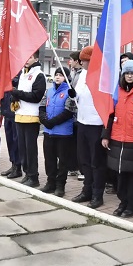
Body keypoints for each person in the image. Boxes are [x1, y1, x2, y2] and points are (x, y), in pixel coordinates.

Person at [102, 60, 133, 218]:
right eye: (127, 73)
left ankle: (131, 206)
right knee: (120, 175)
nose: (129, 76)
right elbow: (110, 115)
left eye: (132, 73)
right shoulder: (116, 91)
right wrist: (105, 135)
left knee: (132, 176)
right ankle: (123, 202)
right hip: (117, 138)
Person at [72, 46, 105, 209]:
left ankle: (98, 194)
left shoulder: (101, 75)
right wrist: (73, 95)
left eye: (84, 60)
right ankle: (87, 190)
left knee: (96, 161)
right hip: (82, 121)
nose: (81, 63)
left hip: (96, 123)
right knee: (84, 159)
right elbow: (79, 94)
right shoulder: (82, 74)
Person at [39, 66, 76, 196]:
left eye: (61, 75)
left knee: (63, 161)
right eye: (56, 75)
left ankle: (60, 185)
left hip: (63, 133)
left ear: (66, 77)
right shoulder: (49, 91)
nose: (58, 77)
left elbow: (68, 112)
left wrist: (53, 122)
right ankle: (50, 182)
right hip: (49, 132)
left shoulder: (70, 92)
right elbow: (42, 106)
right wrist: (43, 119)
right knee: (49, 159)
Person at [11, 52, 46, 187]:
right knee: (23, 148)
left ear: (36, 58)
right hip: (20, 115)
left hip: (31, 117)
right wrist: (14, 96)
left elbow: (36, 96)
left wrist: (17, 93)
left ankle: (33, 176)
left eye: (30, 57)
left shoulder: (39, 75)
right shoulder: (23, 74)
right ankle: (27, 173)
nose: (26, 59)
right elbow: (21, 92)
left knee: (30, 149)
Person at [0, 82, 21, 178]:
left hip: (15, 113)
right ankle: (13, 164)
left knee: (16, 141)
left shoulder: (17, 77)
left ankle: (17, 167)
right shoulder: (5, 78)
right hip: (6, 112)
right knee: (10, 141)